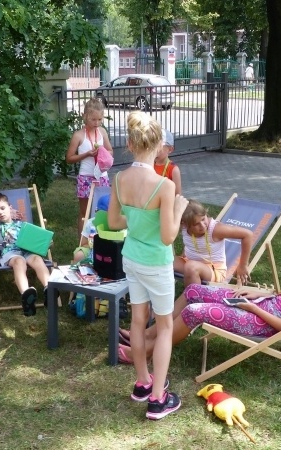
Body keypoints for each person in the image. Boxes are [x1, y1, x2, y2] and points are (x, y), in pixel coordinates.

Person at [118, 246, 281, 362]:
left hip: (262, 323)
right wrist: (261, 297)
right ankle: (147, 335)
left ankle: (148, 352)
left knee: (195, 311)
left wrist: (256, 309)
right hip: (262, 305)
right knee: (195, 290)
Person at [108, 110, 189, 420]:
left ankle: (143, 382)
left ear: (129, 144)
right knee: (165, 326)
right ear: (160, 145)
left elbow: (114, 221)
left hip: (132, 259)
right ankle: (158, 398)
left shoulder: (120, 178)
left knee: (138, 320)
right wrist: (179, 211)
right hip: (156, 263)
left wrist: (138, 219)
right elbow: (168, 237)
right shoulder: (165, 185)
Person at [0, 192, 50, 316]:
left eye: (3, 208)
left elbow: (37, 241)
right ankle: (26, 294)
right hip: (10, 253)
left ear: (10, 207)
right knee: (19, 262)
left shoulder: (22, 224)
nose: (0, 212)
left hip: (27, 250)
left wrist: (47, 243)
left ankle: (49, 289)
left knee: (38, 259)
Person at [174, 199, 253, 287]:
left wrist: (243, 265)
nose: (203, 225)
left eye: (203, 219)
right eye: (196, 224)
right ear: (184, 224)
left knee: (191, 267)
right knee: (164, 260)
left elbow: (247, 235)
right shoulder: (184, 228)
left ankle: (195, 298)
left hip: (214, 270)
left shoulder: (216, 229)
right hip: (189, 262)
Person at [66, 98, 114, 236]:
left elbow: (110, 151)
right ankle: (82, 242)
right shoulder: (78, 135)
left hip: (102, 176)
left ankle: (101, 238)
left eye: (100, 119)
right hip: (85, 177)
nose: (97, 123)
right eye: (93, 119)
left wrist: (102, 153)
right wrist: (87, 154)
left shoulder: (102, 132)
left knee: (103, 209)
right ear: (85, 116)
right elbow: (69, 158)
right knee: (84, 212)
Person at [72, 194, 110, 264]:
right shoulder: (91, 223)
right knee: (79, 255)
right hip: (92, 249)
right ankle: (79, 271)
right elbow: (83, 243)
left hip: (111, 251)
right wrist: (92, 244)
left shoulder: (119, 224)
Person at [154, 129, 182, 195]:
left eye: (159, 149)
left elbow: (177, 195)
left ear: (170, 149)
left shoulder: (173, 169)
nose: (155, 152)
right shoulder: (149, 165)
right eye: (153, 148)